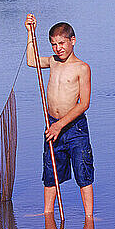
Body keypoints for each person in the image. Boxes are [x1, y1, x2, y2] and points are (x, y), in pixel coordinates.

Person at [25, 14, 94, 216]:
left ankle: (89, 217)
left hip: (74, 128)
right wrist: (30, 33)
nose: (58, 48)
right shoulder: (53, 62)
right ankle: (47, 213)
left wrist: (60, 125)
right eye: (54, 44)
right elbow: (31, 60)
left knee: (83, 171)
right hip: (52, 125)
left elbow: (84, 104)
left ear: (73, 41)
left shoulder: (82, 67)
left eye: (62, 43)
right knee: (50, 171)